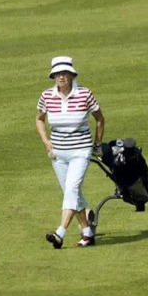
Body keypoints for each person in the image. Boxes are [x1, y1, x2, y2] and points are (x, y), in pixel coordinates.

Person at [36, 56, 105, 248]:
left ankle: (60, 233)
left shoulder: (85, 94)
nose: (61, 77)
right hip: (58, 154)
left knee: (72, 189)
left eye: (65, 73)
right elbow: (39, 119)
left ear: (72, 75)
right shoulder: (46, 96)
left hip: (80, 151)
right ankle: (88, 233)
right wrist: (46, 141)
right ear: (53, 76)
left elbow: (100, 119)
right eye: (58, 74)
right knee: (72, 193)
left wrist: (97, 143)